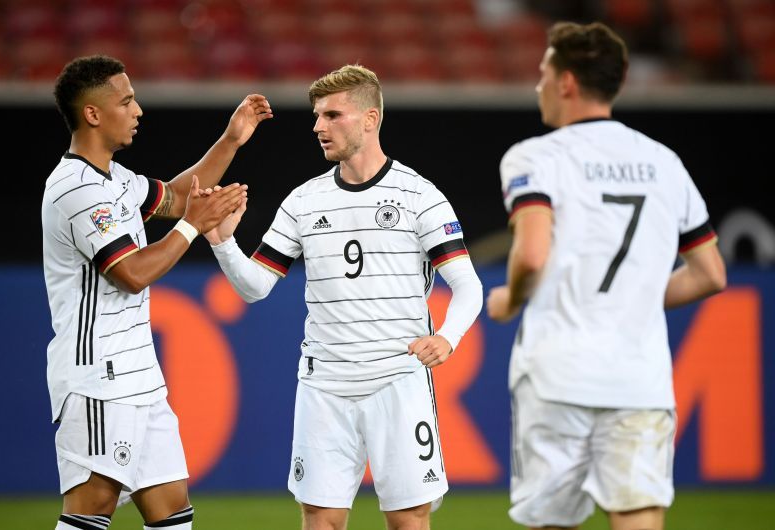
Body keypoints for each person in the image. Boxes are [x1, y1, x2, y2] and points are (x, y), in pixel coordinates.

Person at [203, 64, 483, 530]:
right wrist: (222, 241)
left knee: (408, 522)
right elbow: (255, 287)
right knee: (321, 521)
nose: (318, 126)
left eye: (333, 115)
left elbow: (468, 285)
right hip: (324, 385)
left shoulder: (420, 196)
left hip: (398, 380)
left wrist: (448, 336)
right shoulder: (303, 201)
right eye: (316, 116)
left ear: (370, 119)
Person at [486, 22, 727, 530]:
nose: (538, 86)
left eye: (543, 74)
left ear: (567, 82)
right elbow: (710, 274)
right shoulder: (665, 162)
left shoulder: (535, 156)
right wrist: (632, 298)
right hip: (638, 378)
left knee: (552, 522)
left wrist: (510, 300)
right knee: (638, 516)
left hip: (556, 373)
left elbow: (531, 255)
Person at [42, 55, 272, 530]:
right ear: (92, 114)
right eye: (126, 100)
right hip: (97, 378)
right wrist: (193, 225)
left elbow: (181, 195)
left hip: (140, 376)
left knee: (171, 511)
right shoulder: (75, 189)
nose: (138, 109)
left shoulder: (118, 181)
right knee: (90, 510)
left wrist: (231, 140)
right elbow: (130, 273)